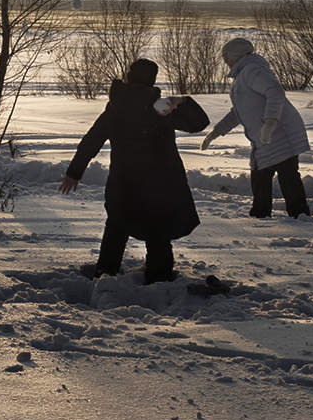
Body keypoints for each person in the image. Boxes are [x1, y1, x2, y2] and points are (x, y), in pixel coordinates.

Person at [59, 58, 210, 284]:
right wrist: (183, 100)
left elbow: (92, 140)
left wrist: (74, 172)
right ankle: (159, 280)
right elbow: (199, 123)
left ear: (129, 77)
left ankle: (105, 273)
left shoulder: (116, 107)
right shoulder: (160, 107)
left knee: (117, 225)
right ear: (152, 81)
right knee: (157, 231)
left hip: (124, 182)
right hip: (159, 185)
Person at [201, 38, 311, 218]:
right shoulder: (242, 75)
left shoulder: (252, 70)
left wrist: (270, 122)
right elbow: (238, 112)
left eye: (226, 55)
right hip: (264, 137)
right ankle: (261, 213)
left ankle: (299, 215)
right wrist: (216, 132)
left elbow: (275, 91)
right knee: (260, 174)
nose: (224, 60)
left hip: (280, 132)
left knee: (287, 174)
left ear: (235, 55)